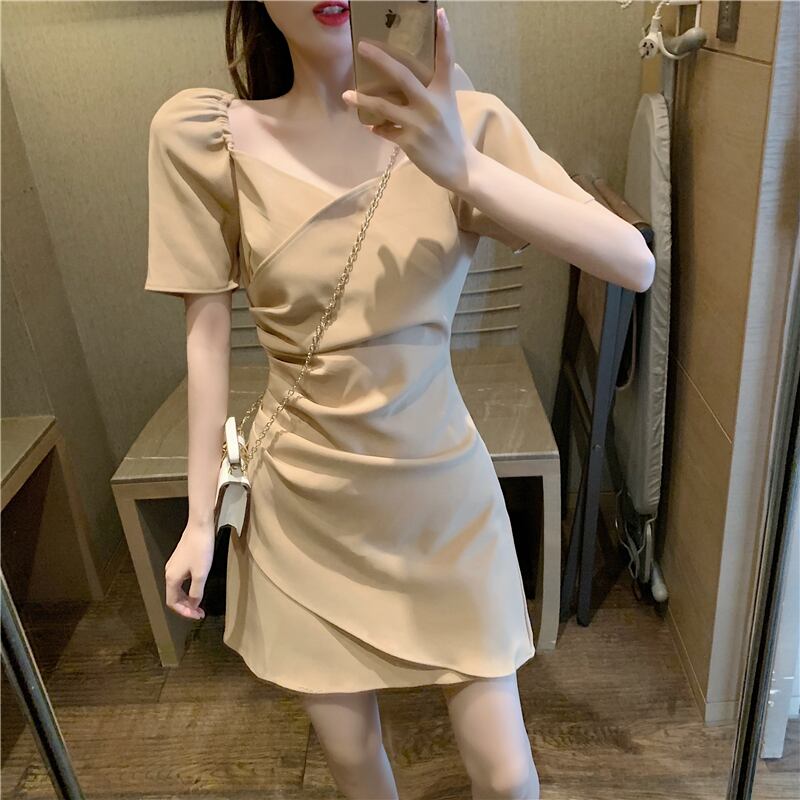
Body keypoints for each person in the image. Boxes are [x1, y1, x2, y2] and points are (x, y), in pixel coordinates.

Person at [145, 3, 655, 798]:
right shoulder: (206, 139)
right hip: (302, 506)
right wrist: (198, 520)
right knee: (354, 761)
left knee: (508, 776)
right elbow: (205, 343)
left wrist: (463, 168)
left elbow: (632, 261)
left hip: (441, 500)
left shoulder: (464, 124)